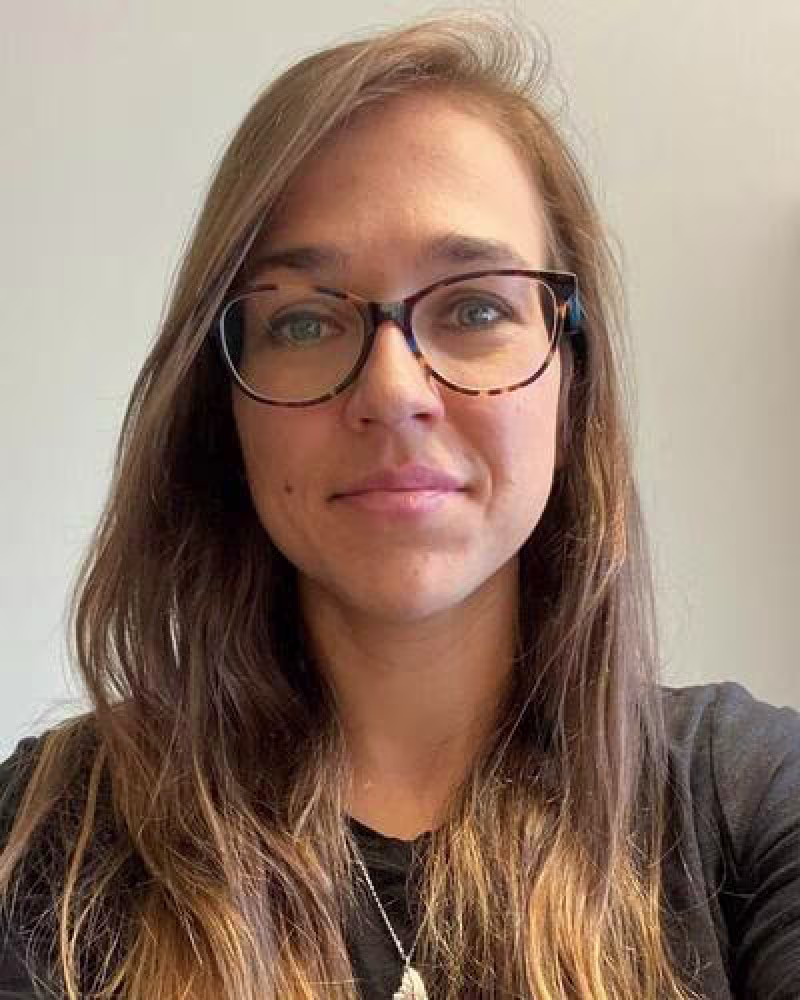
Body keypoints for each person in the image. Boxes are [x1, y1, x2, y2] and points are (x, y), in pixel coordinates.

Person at [1, 11, 798, 1000]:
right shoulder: (56, 836)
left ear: (571, 376)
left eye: (474, 307)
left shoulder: (752, 798)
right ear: (223, 405)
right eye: (302, 321)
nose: (390, 390)